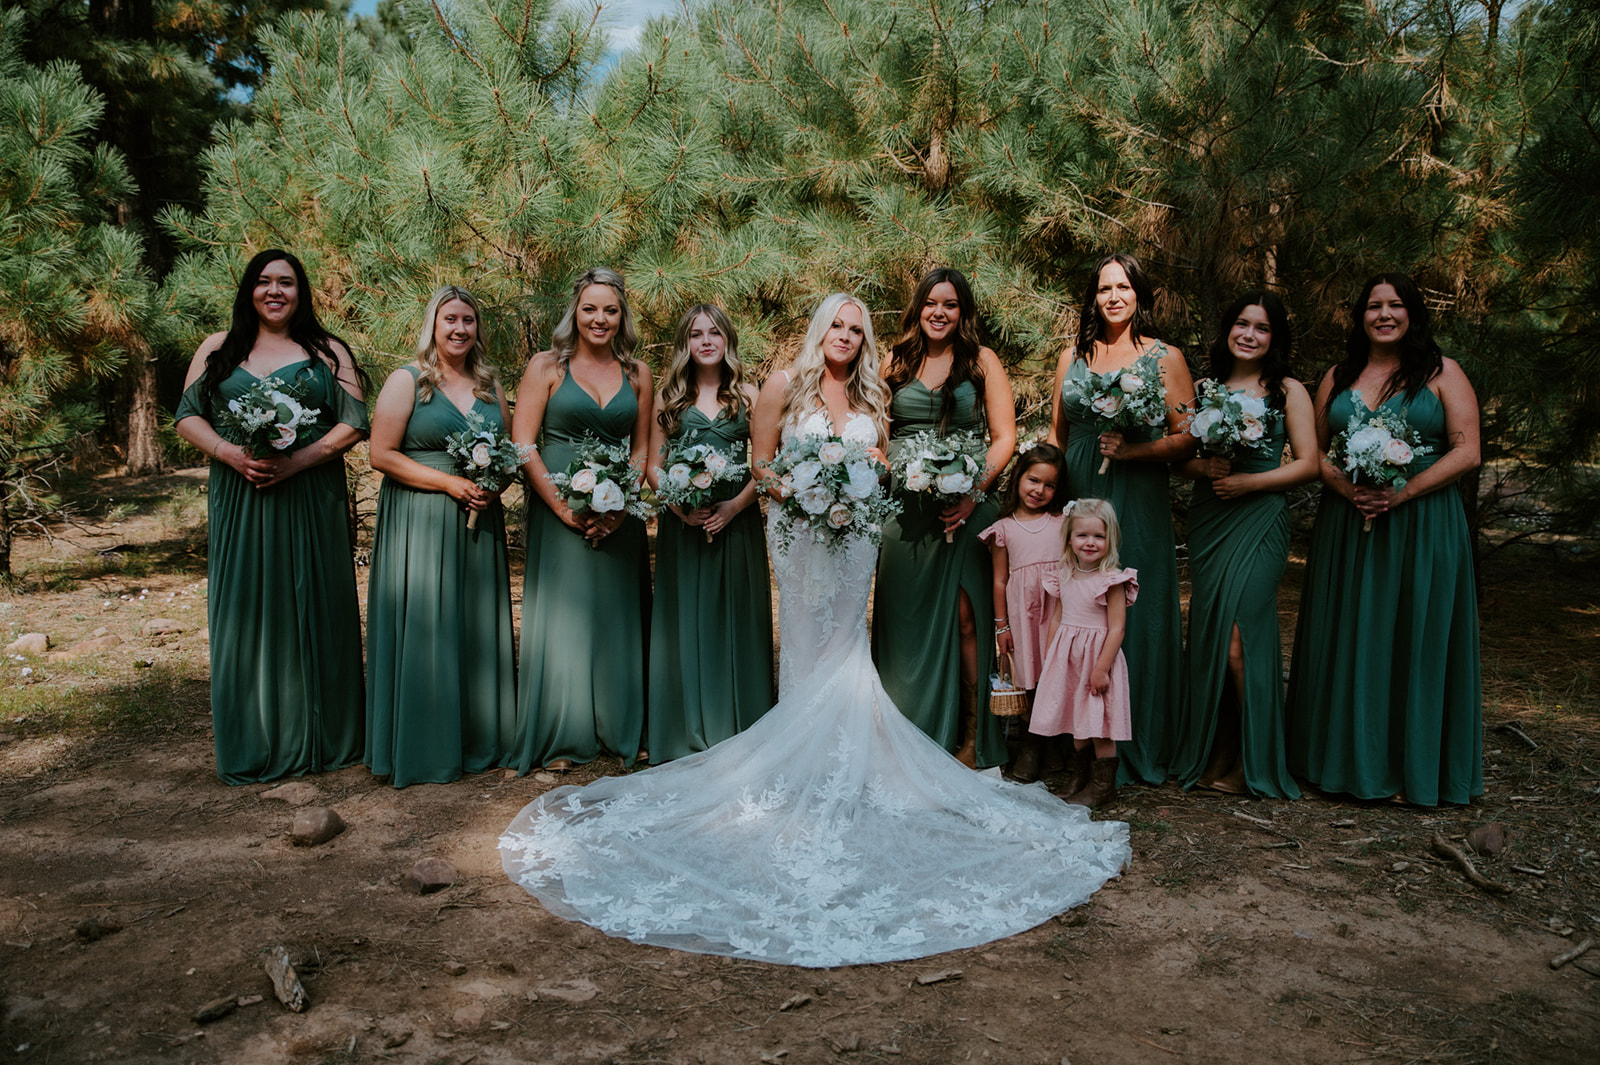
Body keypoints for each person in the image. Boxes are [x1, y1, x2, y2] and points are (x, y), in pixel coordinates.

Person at [499, 294, 1130, 968]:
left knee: (845, 643)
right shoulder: (779, 386)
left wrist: (883, 484)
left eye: (858, 329)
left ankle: (851, 757)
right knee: (806, 641)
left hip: (854, 538)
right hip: (800, 535)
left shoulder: (870, 399)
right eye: (838, 325)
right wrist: (805, 492)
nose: (847, 337)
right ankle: (800, 755)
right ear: (819, 330)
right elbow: (764, 464)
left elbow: (880, 461)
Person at [173, 249, 369, 784]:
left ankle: (329, 737)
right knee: (248, 606)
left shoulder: (327, 351)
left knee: (317, 599)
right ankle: (255, 739)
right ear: (248, 291)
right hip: (242, 497)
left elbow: (354, 423)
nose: (275, 291)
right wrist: (232, 454)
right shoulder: (218, 348)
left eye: (286, 282)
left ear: (301, 292)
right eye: (263, 282)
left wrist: (297, 462)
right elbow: (187, 416)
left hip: (310, 496)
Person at [1287, 273, 1482, 806]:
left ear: (1413, 315)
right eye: (1374, 306)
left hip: (1422, 524)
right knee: (1349, 631)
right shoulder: (1337, 377)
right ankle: (1340, 760)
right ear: (1360, 316)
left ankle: (1409, 769)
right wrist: (1350, 490)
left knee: (1412, 635)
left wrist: (1403, 492)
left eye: (1396, 305)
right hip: (1349, 525)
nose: (1384, 314)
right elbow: (1317, 454)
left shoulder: (1443, 374)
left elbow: (1467, 452)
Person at [1046, 253, 1193, 785]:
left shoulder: (1165, 357)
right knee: (1079, 609)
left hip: (1138, 490)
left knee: (1136, 606)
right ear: (1094, 297)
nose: (1113, 297)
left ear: (1140, 295)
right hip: (1082, 489)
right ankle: (1078, 744)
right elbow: (1059, 436)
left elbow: (1187, 436)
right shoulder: (1074, 356)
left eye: (1124, 287)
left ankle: (1135, 744)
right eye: (1104, 288)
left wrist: (1135, 451)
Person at [364, 286, 517, 787]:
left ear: (478, 329)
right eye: (450, 318)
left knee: (473, 626)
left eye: (468, 320)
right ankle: (423, 744)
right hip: (421, 518)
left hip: (478, 521)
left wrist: (495, 486)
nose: (459, 328)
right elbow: (381, 454)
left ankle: (479, 740)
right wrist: (449, 482)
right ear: (433, 324)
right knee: (427, 623)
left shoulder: (490, 387)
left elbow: (510, 455)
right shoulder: (408, 380)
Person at [507, 268, 653, 773]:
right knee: (566, 622)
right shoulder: (546, 366)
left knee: (618, 617)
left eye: (610, 310)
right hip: (559, 512)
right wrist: (562, 506)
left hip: (619, 516)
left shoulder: (637, 373)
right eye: (591, 308)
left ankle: (622, 726)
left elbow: (640, 449)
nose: (600, 319)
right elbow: (524, 443)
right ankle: (563, 733)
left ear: (622, 317)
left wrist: (619, 509)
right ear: (575, 311)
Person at [1172, 292, 1317, 798]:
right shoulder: (1205, 388)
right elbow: (1181, 457)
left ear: (1274, 338)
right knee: (1213, 632)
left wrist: (1250, 483)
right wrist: (1204, 468)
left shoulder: (1287, 391)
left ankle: (1252, 756)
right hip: (1212, 519)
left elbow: (1308, 463)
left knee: (1240, 638)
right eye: (1241, 324)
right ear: (1228, 330)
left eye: (1261, 327)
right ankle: (1218, 749)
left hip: (1260, 517)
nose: (1249, 334)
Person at [874, 268, 1017, 768]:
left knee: (965, 619)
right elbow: (876, 433)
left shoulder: (982, 362)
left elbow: (1004, 437)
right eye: (931, 303)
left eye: (951, 304)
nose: (939, 312)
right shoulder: (894, 361)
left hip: (967, 508)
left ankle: (974, 735)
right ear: (918, 308)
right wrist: (890, 467)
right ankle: (902, 728)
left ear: (963, 312)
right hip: (906, 512)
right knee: (903, 619)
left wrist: (975, 492)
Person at [645, 304, 774, 762]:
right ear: (685, 343)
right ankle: (684, 723)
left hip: (736, 525)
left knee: (736, 616)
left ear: (727, 341)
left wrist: (734, 507)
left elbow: (764, 466)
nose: (706, 341)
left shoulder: (749, 395)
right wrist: (680, 511)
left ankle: (739, 721)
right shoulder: (668, 398)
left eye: (715, 333)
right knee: (687, 618)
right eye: (696, 334)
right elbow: (653, 468)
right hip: (685, 527)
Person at [1030, 499, 1137, 810]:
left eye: (1099, 537)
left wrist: (1102, 669)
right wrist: (1051, 656)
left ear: (1110, 540)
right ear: (1069, 538)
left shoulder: (1112, 580)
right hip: (1069, 660)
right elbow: (1058, 618)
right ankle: (1080, 777)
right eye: (1082, 536)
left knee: (1099, 726)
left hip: (1097, 660)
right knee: (1077, 722)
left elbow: (1117, 629)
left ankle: (1104, 786)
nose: (1090, 543)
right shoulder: (1064, 574)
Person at [978, 443, 1069, 783]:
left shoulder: (1063, 522)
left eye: (1049, 485)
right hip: (1021, 614)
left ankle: (1053, 746)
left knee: (1054, 677)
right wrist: (1002, 626)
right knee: (1028, 680)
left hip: (1056, 614)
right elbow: (1000, 581)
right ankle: (1030, 746)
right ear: (1018, 477)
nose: (1039, 490)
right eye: (1033, 480)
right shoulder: (1004, 528)